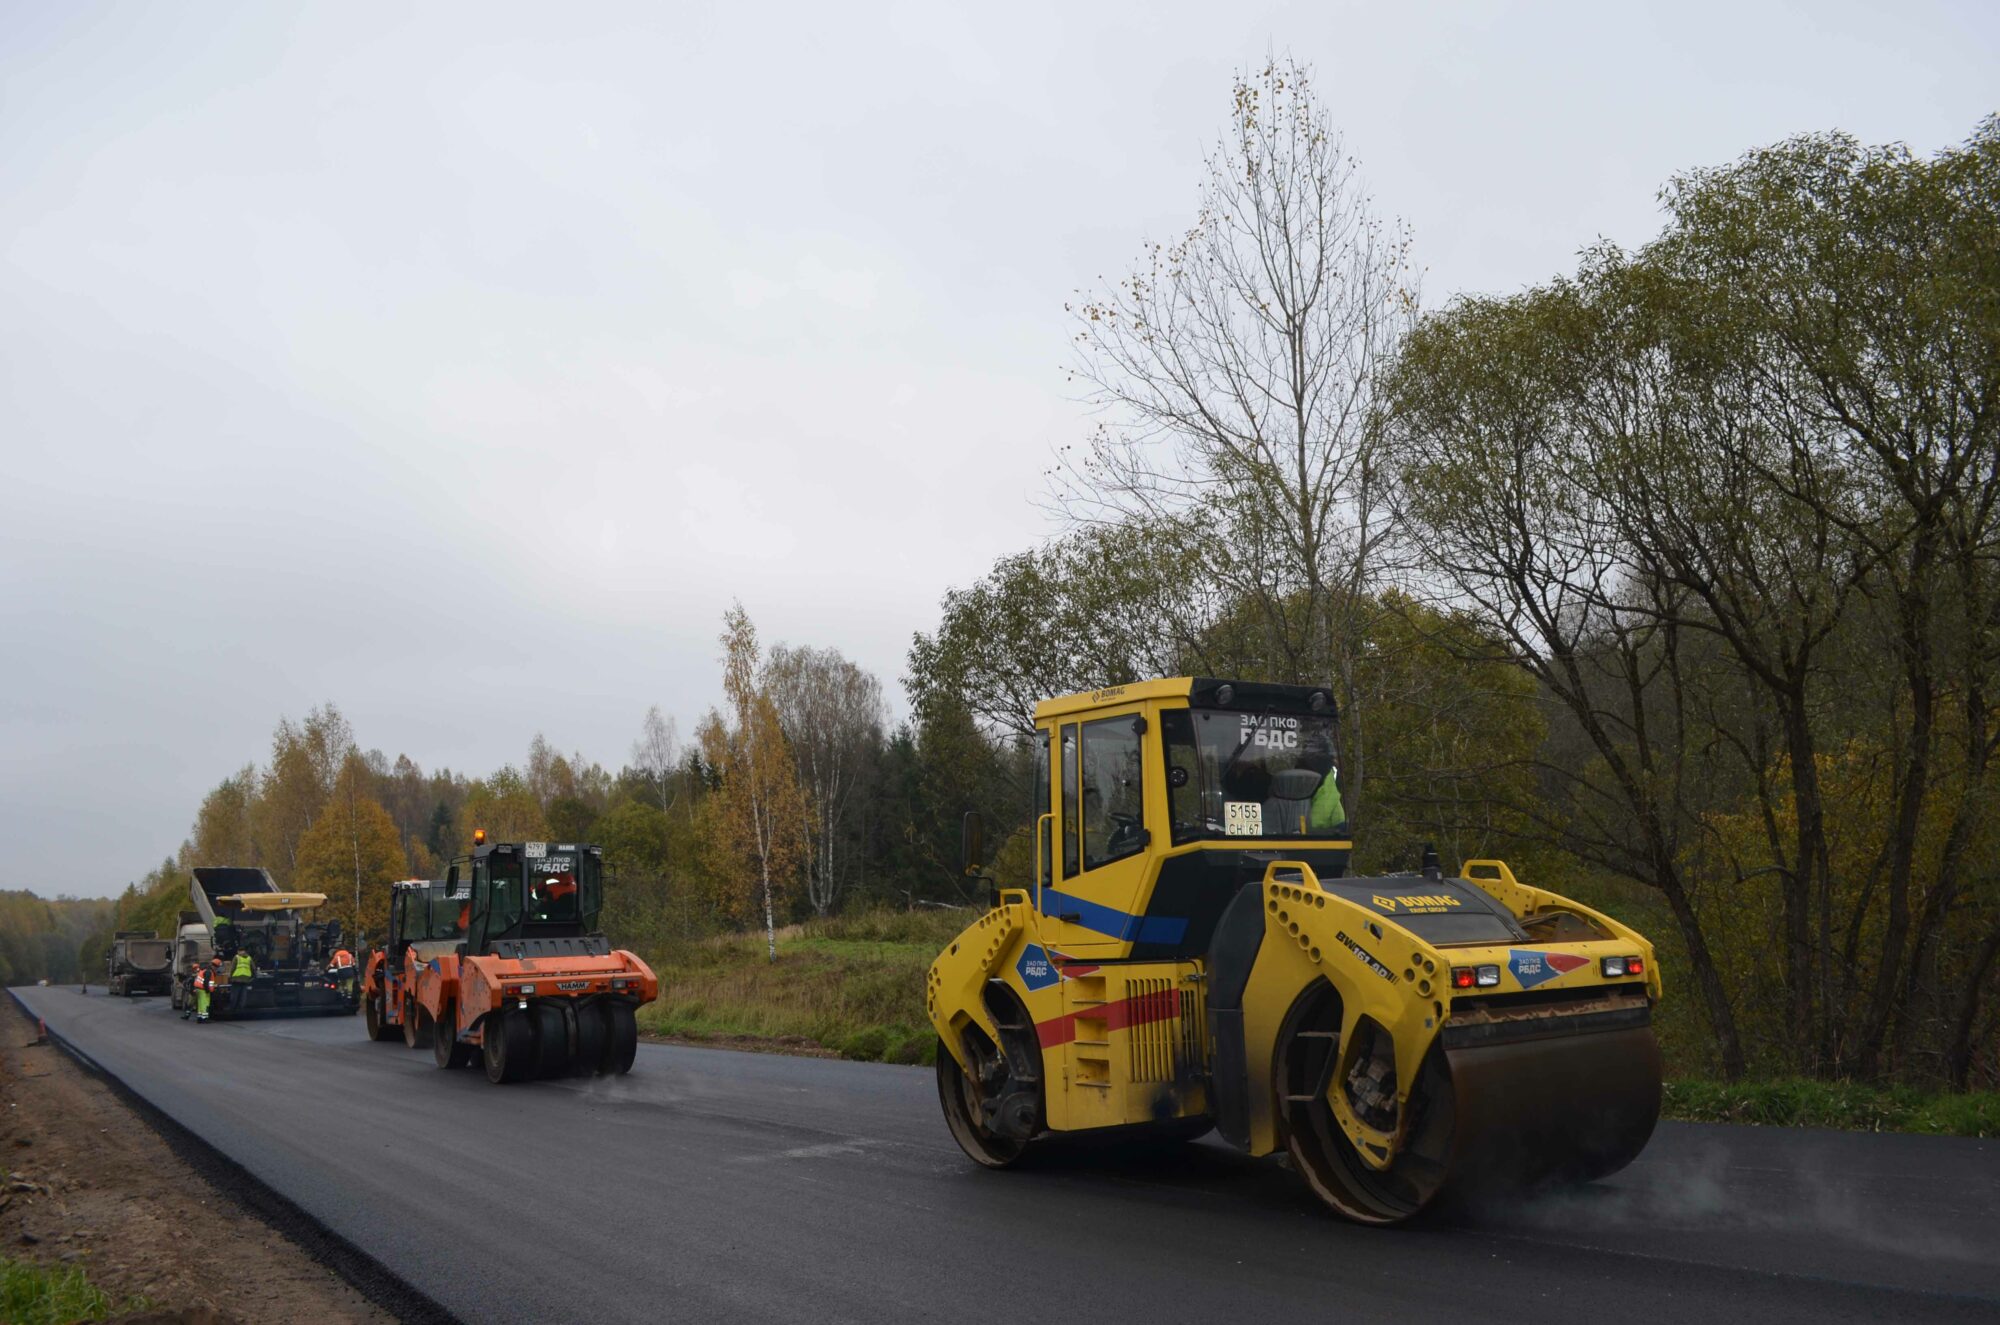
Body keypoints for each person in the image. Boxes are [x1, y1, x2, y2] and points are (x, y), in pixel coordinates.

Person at [231, 948, 254, 1012]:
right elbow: (253, 968)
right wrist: (252, 977)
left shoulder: (236, 957)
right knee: (243, 995)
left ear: (238, 951)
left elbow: (232, 968)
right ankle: (241, 1008)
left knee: (235, 995)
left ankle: (233, 1008)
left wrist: (230, 977)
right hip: (246, 979)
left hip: (236, 979)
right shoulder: (249, 958)